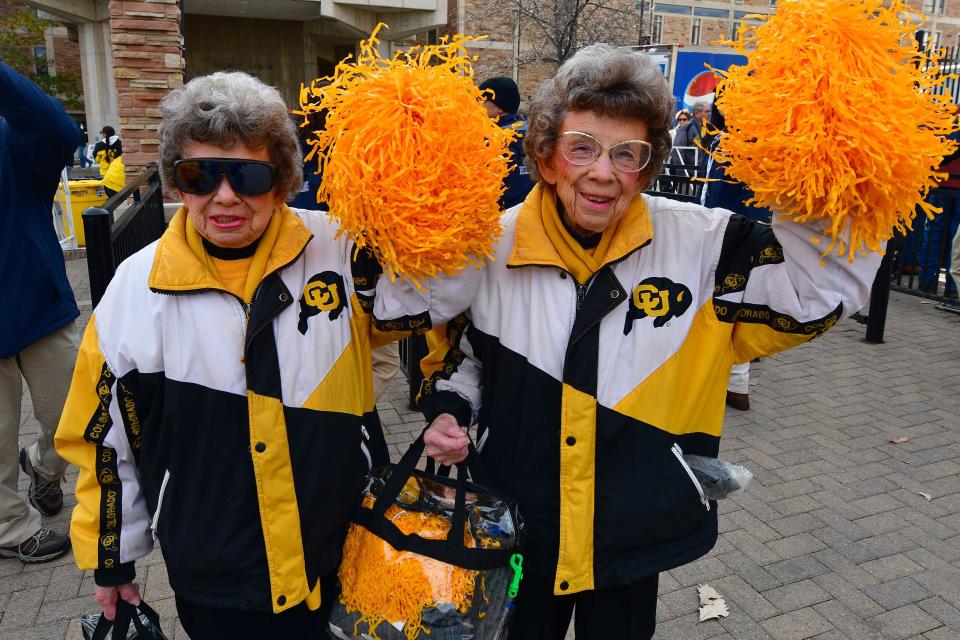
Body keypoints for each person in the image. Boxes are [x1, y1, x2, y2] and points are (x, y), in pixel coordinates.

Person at [419, 44, 881, 640]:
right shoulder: (489, 245)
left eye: (626, 154)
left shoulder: (706, 245)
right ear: (548, 155)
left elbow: (817, 292)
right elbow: (460, 358)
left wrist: (837, 178)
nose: (602, 172)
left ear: (649, 162)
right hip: (516, 519)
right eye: (581, 147)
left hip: (632, 523)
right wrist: (448, 413)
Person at [55, 71, 479, 637]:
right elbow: (103, 440)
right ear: (177, 182)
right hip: (213, 569)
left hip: (340, 547)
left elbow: (441, 294)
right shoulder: (137, 287)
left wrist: (426, 180)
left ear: (281, 182)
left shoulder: (341, 250)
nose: (224, 195)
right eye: (199, 174)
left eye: (248, 176)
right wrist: (112, 557)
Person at [0, 62, 78, 564]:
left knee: (76, 416)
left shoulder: (12, 143)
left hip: (37, 307)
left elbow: (60, 131)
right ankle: (10, 526)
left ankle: (44, 470)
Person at [700, 106, 773, 412]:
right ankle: (738, 381)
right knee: (743, 302)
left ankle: (729, 380)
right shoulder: (767, 144)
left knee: (722, 305)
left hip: (726, 231)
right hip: (757, 229)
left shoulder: (725, 144)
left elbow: (710, 194)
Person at [479, 76, 535, 209]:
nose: (478, 104)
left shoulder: (499, 138)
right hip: (528, 210)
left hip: (504, 217)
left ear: (500, 107)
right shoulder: (528, 130)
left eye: (482, 100)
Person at [93, 125, 125, 197]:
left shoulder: (99, 146)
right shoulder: (120, 143)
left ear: (104, 134)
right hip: (119, 174)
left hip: (106, 175)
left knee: (110, 196)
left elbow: (97, 160)